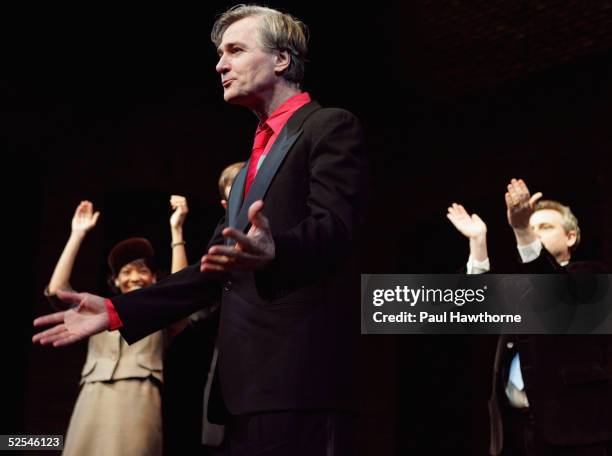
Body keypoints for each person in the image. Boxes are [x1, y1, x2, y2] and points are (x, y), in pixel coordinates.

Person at [33, 5, 368, 455]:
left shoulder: (329, 126)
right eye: (219, 53)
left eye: (234, 50)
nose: (220, 64)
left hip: (296, 382)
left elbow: (337, 227)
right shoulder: (251, 163)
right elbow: (208, 273)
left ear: (281, 60)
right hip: (240, 392)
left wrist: (277, 249)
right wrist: (116, 310)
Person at [448, 178, 612, 455]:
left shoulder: (591, 276)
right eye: (532, 227)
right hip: (515, 435)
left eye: (545, 227)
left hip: (575, 436)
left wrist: (522, 229)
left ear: (571, 237)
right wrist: (478, 242)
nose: (536, 234)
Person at [43, 196, 189, 456]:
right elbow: (57, 291)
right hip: (93, 397)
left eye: (143, 270)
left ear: (155, 278)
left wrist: (176, 231)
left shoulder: (158, 313)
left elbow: (181, 297)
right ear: (116, 281)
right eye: (126, 271)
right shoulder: (96, 309)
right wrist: (77, 234)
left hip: (138, 399)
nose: (134, 276)